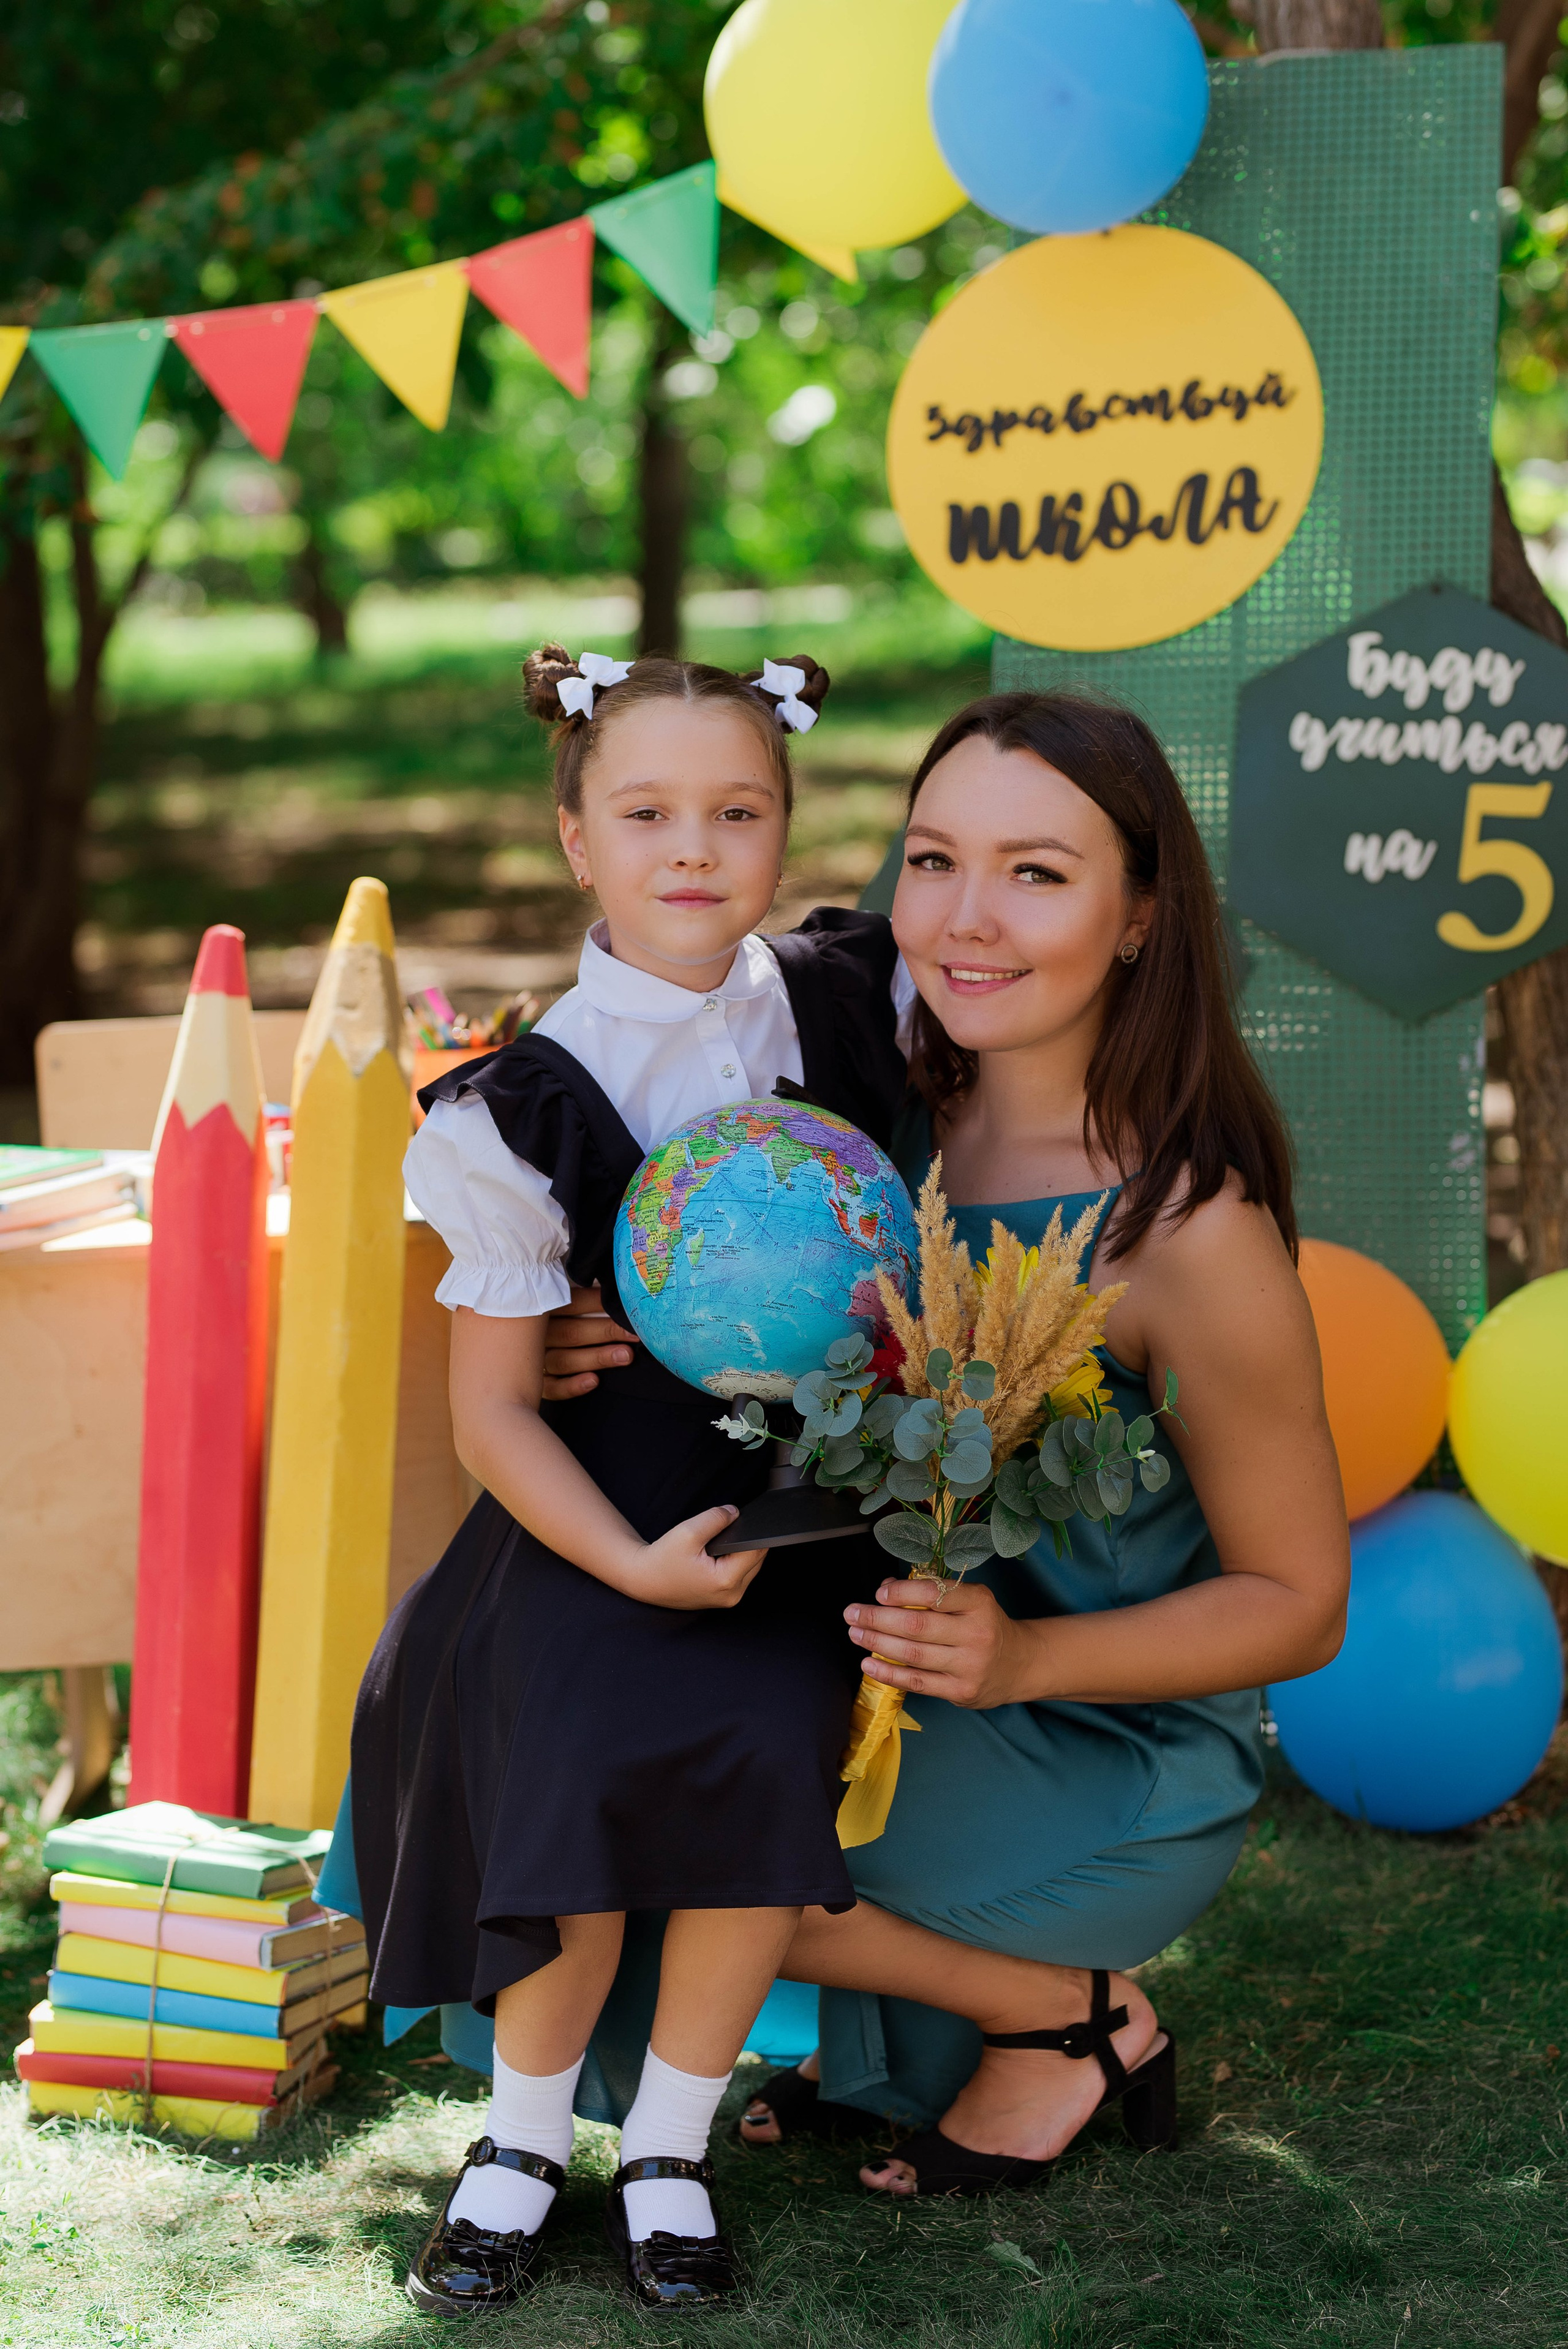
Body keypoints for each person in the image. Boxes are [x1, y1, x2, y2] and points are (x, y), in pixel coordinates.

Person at [543, 689, 1351, 2198]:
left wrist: (1022, 1661)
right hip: (886, 1678)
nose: (965, 918)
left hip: (1091, 1739)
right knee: (553, 1760)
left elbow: (1301, 1604)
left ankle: (1059, 2011)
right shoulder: (876, 1129)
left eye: (1037, 873)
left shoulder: (1185, 1234)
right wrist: (585, 1323)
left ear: (1136, 918)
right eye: (932, 859)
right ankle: (908, 2012)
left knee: (658, 1831)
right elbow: (740, 1302)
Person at [354, 646, 906, 2315]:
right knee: (574, 1774)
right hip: (585, 1526)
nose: (695, 846)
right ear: (577, 841)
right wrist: (629, 1563)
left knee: (762, 1761)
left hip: (791, 1520)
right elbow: (494, 1422)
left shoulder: (849, 998)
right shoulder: (515, 1111)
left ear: (787, 828)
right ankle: (520, 2143)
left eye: (737, 810)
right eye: (646, 810)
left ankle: (670, 2144)